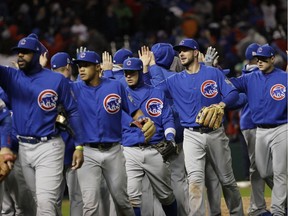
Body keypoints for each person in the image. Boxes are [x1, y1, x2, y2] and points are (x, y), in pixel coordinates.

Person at [148, 39, 244, 215]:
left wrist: (221, 105)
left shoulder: (213, 73)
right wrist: (152, 66)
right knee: (195, 181)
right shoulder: (175, 79)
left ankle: (237, 212)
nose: (181, 54)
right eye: (179, 51)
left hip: (216, 133)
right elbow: (155, 90)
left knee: (227, 179)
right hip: (191, 135)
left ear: (195, 52)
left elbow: (232, 92)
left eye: (185, 50)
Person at [0, 33, 85, 215]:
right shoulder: (11, 76)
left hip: (49, 146)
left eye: (26, 52)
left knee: (46, 204)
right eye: (19, 52)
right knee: (30, 205)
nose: (20, 55)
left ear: (38, 54)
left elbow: (73, 111)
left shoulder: (56, 80)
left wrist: (79, 145)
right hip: (21, 148)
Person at [71, 50, 156, 216]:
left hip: (114, 150)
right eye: (79, 66)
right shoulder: (74, 89)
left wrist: (145, 122)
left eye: (86, 66)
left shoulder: (115, 86)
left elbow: (135, 112)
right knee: (90, 205)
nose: (81, 69)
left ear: (98, 67)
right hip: (87, 152)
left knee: (123, 201)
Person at [230, 44, 287, 216]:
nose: (259, 61)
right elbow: (228, 84)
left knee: (280, 172)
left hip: (282, 128)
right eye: (258, 59)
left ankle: (278, 211)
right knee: (263, 171)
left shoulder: (284, 77)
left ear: (272, 59)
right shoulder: (250, 77)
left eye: (263, 58)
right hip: (260, 130)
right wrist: (212, 70)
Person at [120, 57, 178, 216]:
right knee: (131, 197)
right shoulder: (120, 94)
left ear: (140, 72)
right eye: (126, 73)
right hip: (130, 150)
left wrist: (170, 137)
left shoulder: (156, 92)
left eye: (132, 73)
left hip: (155, 148)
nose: (128, 76)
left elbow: (167, 119)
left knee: (166, 196)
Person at [238, 43, 273, 216]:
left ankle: (258, 207)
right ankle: (257, 208)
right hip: (254, 125)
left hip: (252, 125)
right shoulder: (255, 75)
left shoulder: (247, 74)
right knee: (261, 168)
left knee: (263, 168)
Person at [50, 52, 84, 216]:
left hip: (54, 148)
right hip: (73, 147)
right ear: (70, 68)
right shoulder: (78, 87)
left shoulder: (46, 89)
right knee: (77, 196)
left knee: (52, 197)